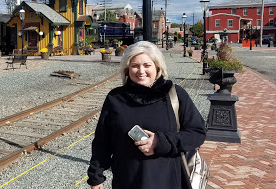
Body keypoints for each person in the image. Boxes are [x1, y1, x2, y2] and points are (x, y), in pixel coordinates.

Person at [87, 41, 206, 189]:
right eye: (135, 65)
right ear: (127, 69)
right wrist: (96, 176)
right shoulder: (116, 98)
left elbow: (197, 133)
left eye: (147, 65)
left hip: (167, 180)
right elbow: (102, 141)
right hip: (127, 181)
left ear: (157, 67)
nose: (141, 71)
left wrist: (159, 142)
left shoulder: (175, 95)